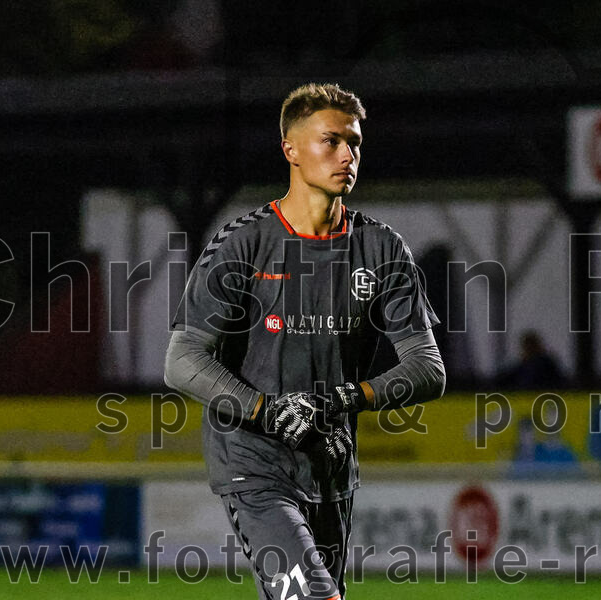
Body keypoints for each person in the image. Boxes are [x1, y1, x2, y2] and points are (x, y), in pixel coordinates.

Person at [164, 83, 446, 600]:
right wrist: (266, 411)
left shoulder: (381, 248)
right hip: (254, 463)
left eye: (355, 143)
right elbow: (181, 360)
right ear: (291, 149)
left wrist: (344, 398)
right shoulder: (243, 244)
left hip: (331, 467)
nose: (347, 155)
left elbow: (428, 368)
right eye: (331, 141)